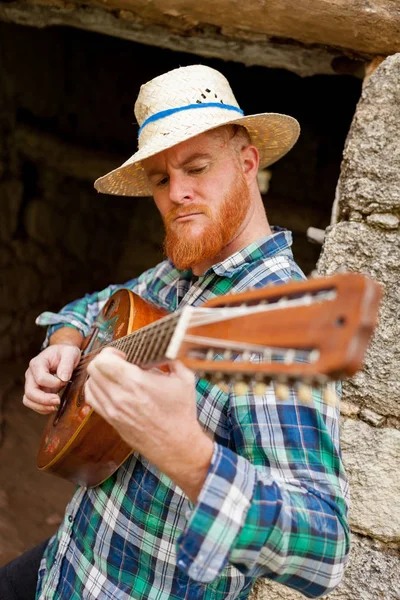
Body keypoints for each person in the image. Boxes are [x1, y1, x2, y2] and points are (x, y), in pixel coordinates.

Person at [2, 65, 350, 600]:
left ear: (248, 163)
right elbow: (96, 306)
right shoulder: (176, 271)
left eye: (197, 167)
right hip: (64, 564)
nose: (179, 193)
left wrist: (188, 453)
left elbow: (322, 547)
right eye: (162, 179)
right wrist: (63, 344)